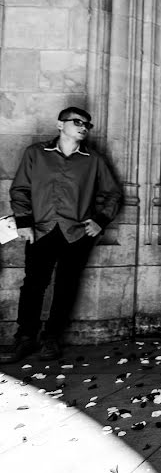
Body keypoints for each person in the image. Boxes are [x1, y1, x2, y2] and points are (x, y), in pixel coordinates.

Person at [1, 107, 122, 364]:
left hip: (77, 234)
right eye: (77, 122)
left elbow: (113, 193)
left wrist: (100, 221)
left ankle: (52, 338)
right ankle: (25, 337)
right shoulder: (36, 154)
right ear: (60, 125)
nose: (83, 127)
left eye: (87, 124)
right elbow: (20, 188)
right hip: (41, 230)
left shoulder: (93, 160)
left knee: (66, 287)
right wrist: (23, 222)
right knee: (34, 284)